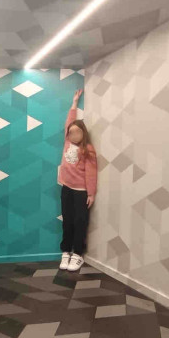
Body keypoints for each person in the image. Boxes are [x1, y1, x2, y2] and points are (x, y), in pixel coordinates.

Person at [58, 89, 98, 272]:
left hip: (81, 191)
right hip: (66, 188)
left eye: (77, 132)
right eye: (71, 132)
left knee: (80, 221)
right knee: (67, 220)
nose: (73, 135)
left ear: (83, 133)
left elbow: (91, 172)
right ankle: (66, 251)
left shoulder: (87, 149)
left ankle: (78, 254)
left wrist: (91, 193)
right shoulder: (67, 143)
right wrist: (74, 102)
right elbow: (69, 121)